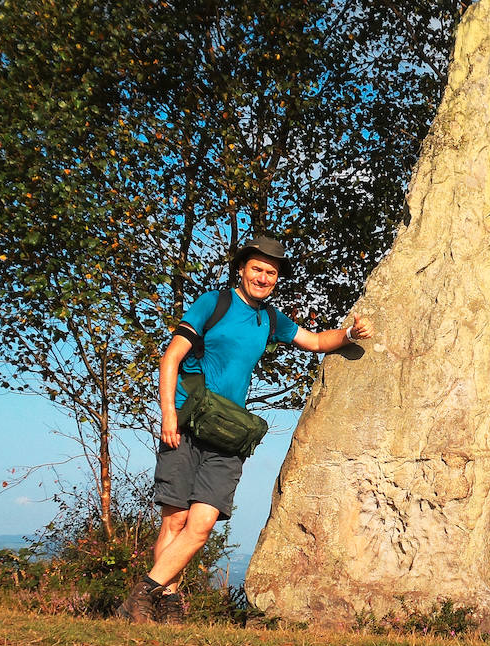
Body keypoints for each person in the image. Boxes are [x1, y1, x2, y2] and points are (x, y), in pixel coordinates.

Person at [117, 235, 374, 623]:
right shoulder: (214, 304)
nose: (263, 277)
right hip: (185, 424)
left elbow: (318, 341)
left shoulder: (269, 319)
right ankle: (165, 605)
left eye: (271, 273)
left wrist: (351, 334)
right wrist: (168, 414)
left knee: (201, 525)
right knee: (174, 520)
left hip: (226, 432)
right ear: (241, 269)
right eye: (257, 269)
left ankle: (142, 595)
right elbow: (171, 358)